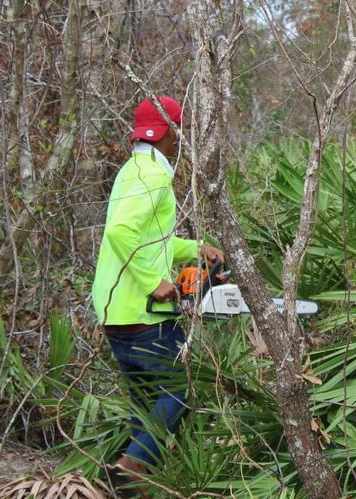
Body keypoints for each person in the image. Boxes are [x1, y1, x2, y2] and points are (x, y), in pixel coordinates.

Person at [91, 95, 224, 495]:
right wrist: (154, 282)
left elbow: (150, 238)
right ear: (169, 133)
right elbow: (120, 233)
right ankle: (130, 467)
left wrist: (196, 247)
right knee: (182, 389)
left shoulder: (131, 170)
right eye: (177, 132)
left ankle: (130, 487)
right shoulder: (154, 176)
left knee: (145, 408)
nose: (179, 140)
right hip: (144, 311)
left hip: (116, 311)